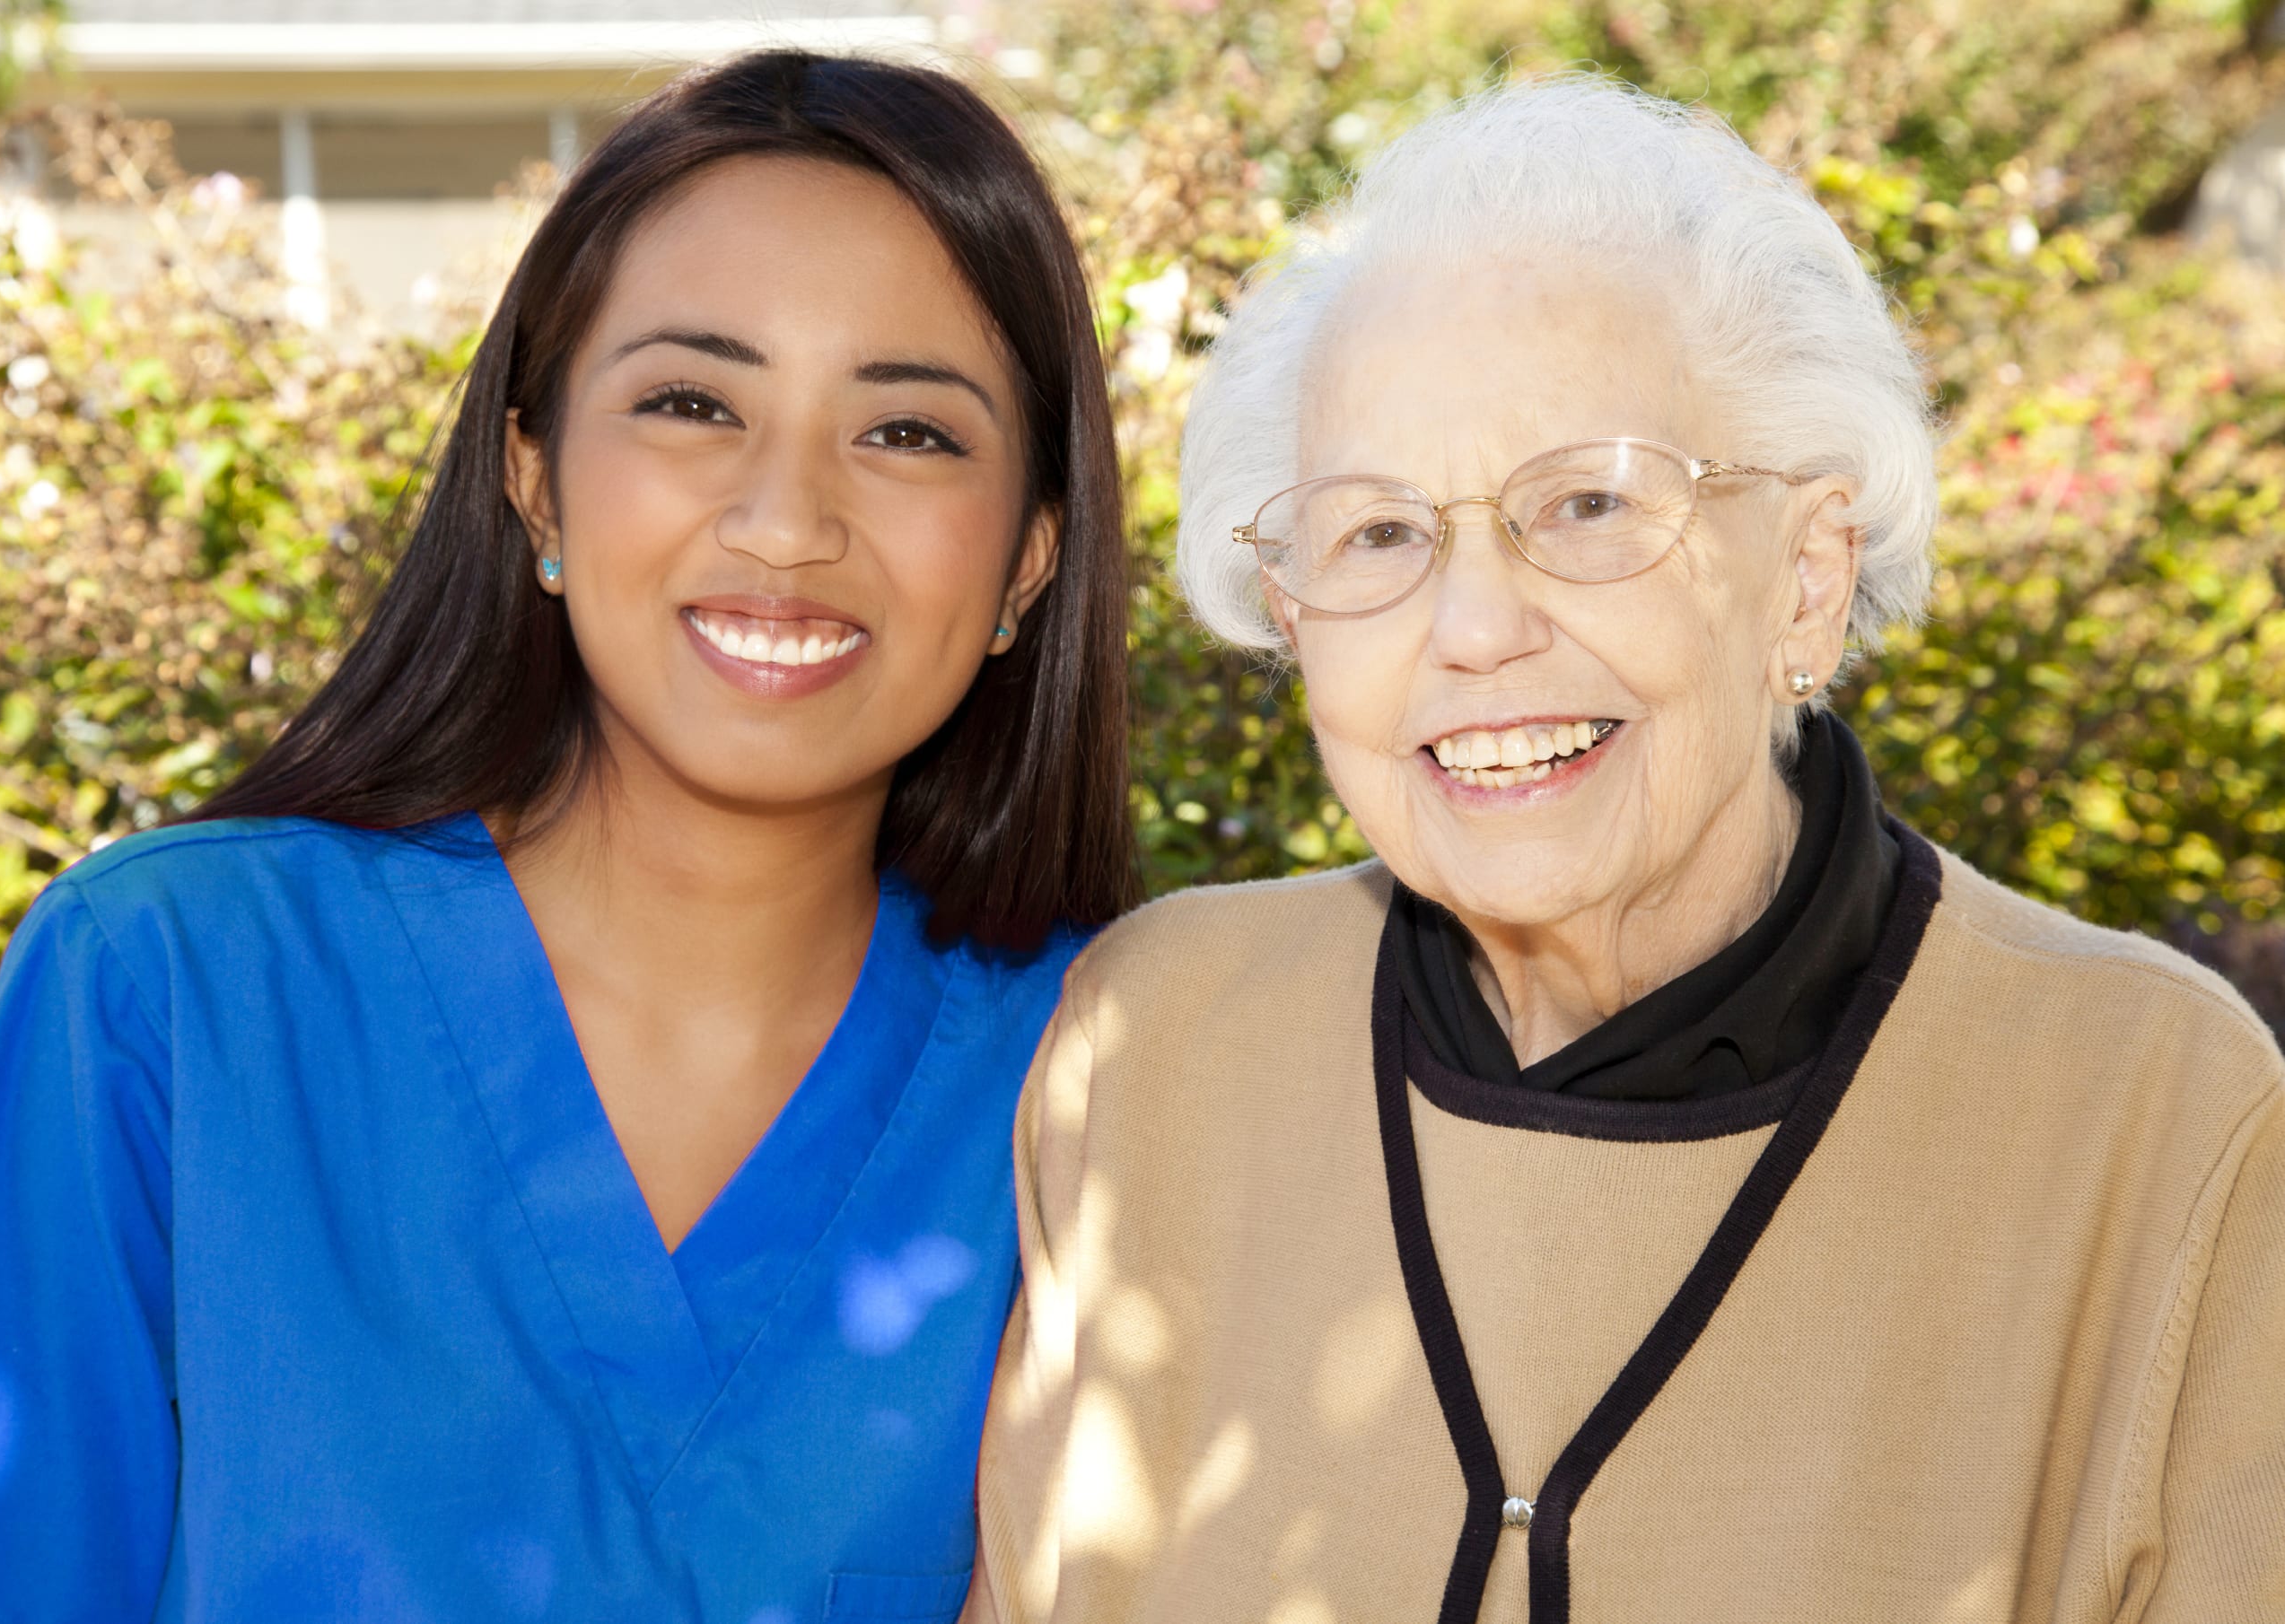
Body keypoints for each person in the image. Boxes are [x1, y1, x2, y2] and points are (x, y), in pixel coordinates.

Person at [967, 76, 2284, 1624]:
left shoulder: (2154, 1115)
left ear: (1805, 576)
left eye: (1587, 503)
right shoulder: (1157, 1049)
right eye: (1379, 532)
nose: (1473, 630)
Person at [0, 50, 1139, 1624]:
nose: (787, 518)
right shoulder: (173, 992)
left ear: (1028, 561)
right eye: (689, 402)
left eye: (911, 433)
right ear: (532, 478)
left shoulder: (1111, 1088)